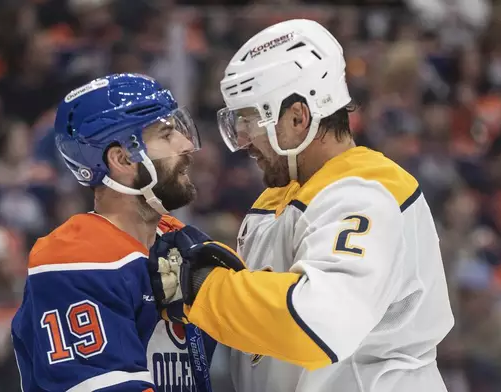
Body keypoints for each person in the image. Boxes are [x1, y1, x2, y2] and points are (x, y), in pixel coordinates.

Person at [150, 19, 455, 392]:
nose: (244, 140)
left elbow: (320, 324)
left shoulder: (367, 193)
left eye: (249, 121)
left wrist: (203, 285)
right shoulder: (280, 198)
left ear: (298, 117)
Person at [11, 73, 210, 392]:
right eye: (167, 134)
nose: (186, 145)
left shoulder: (185, 243)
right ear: (122, 159)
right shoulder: (76, 260)